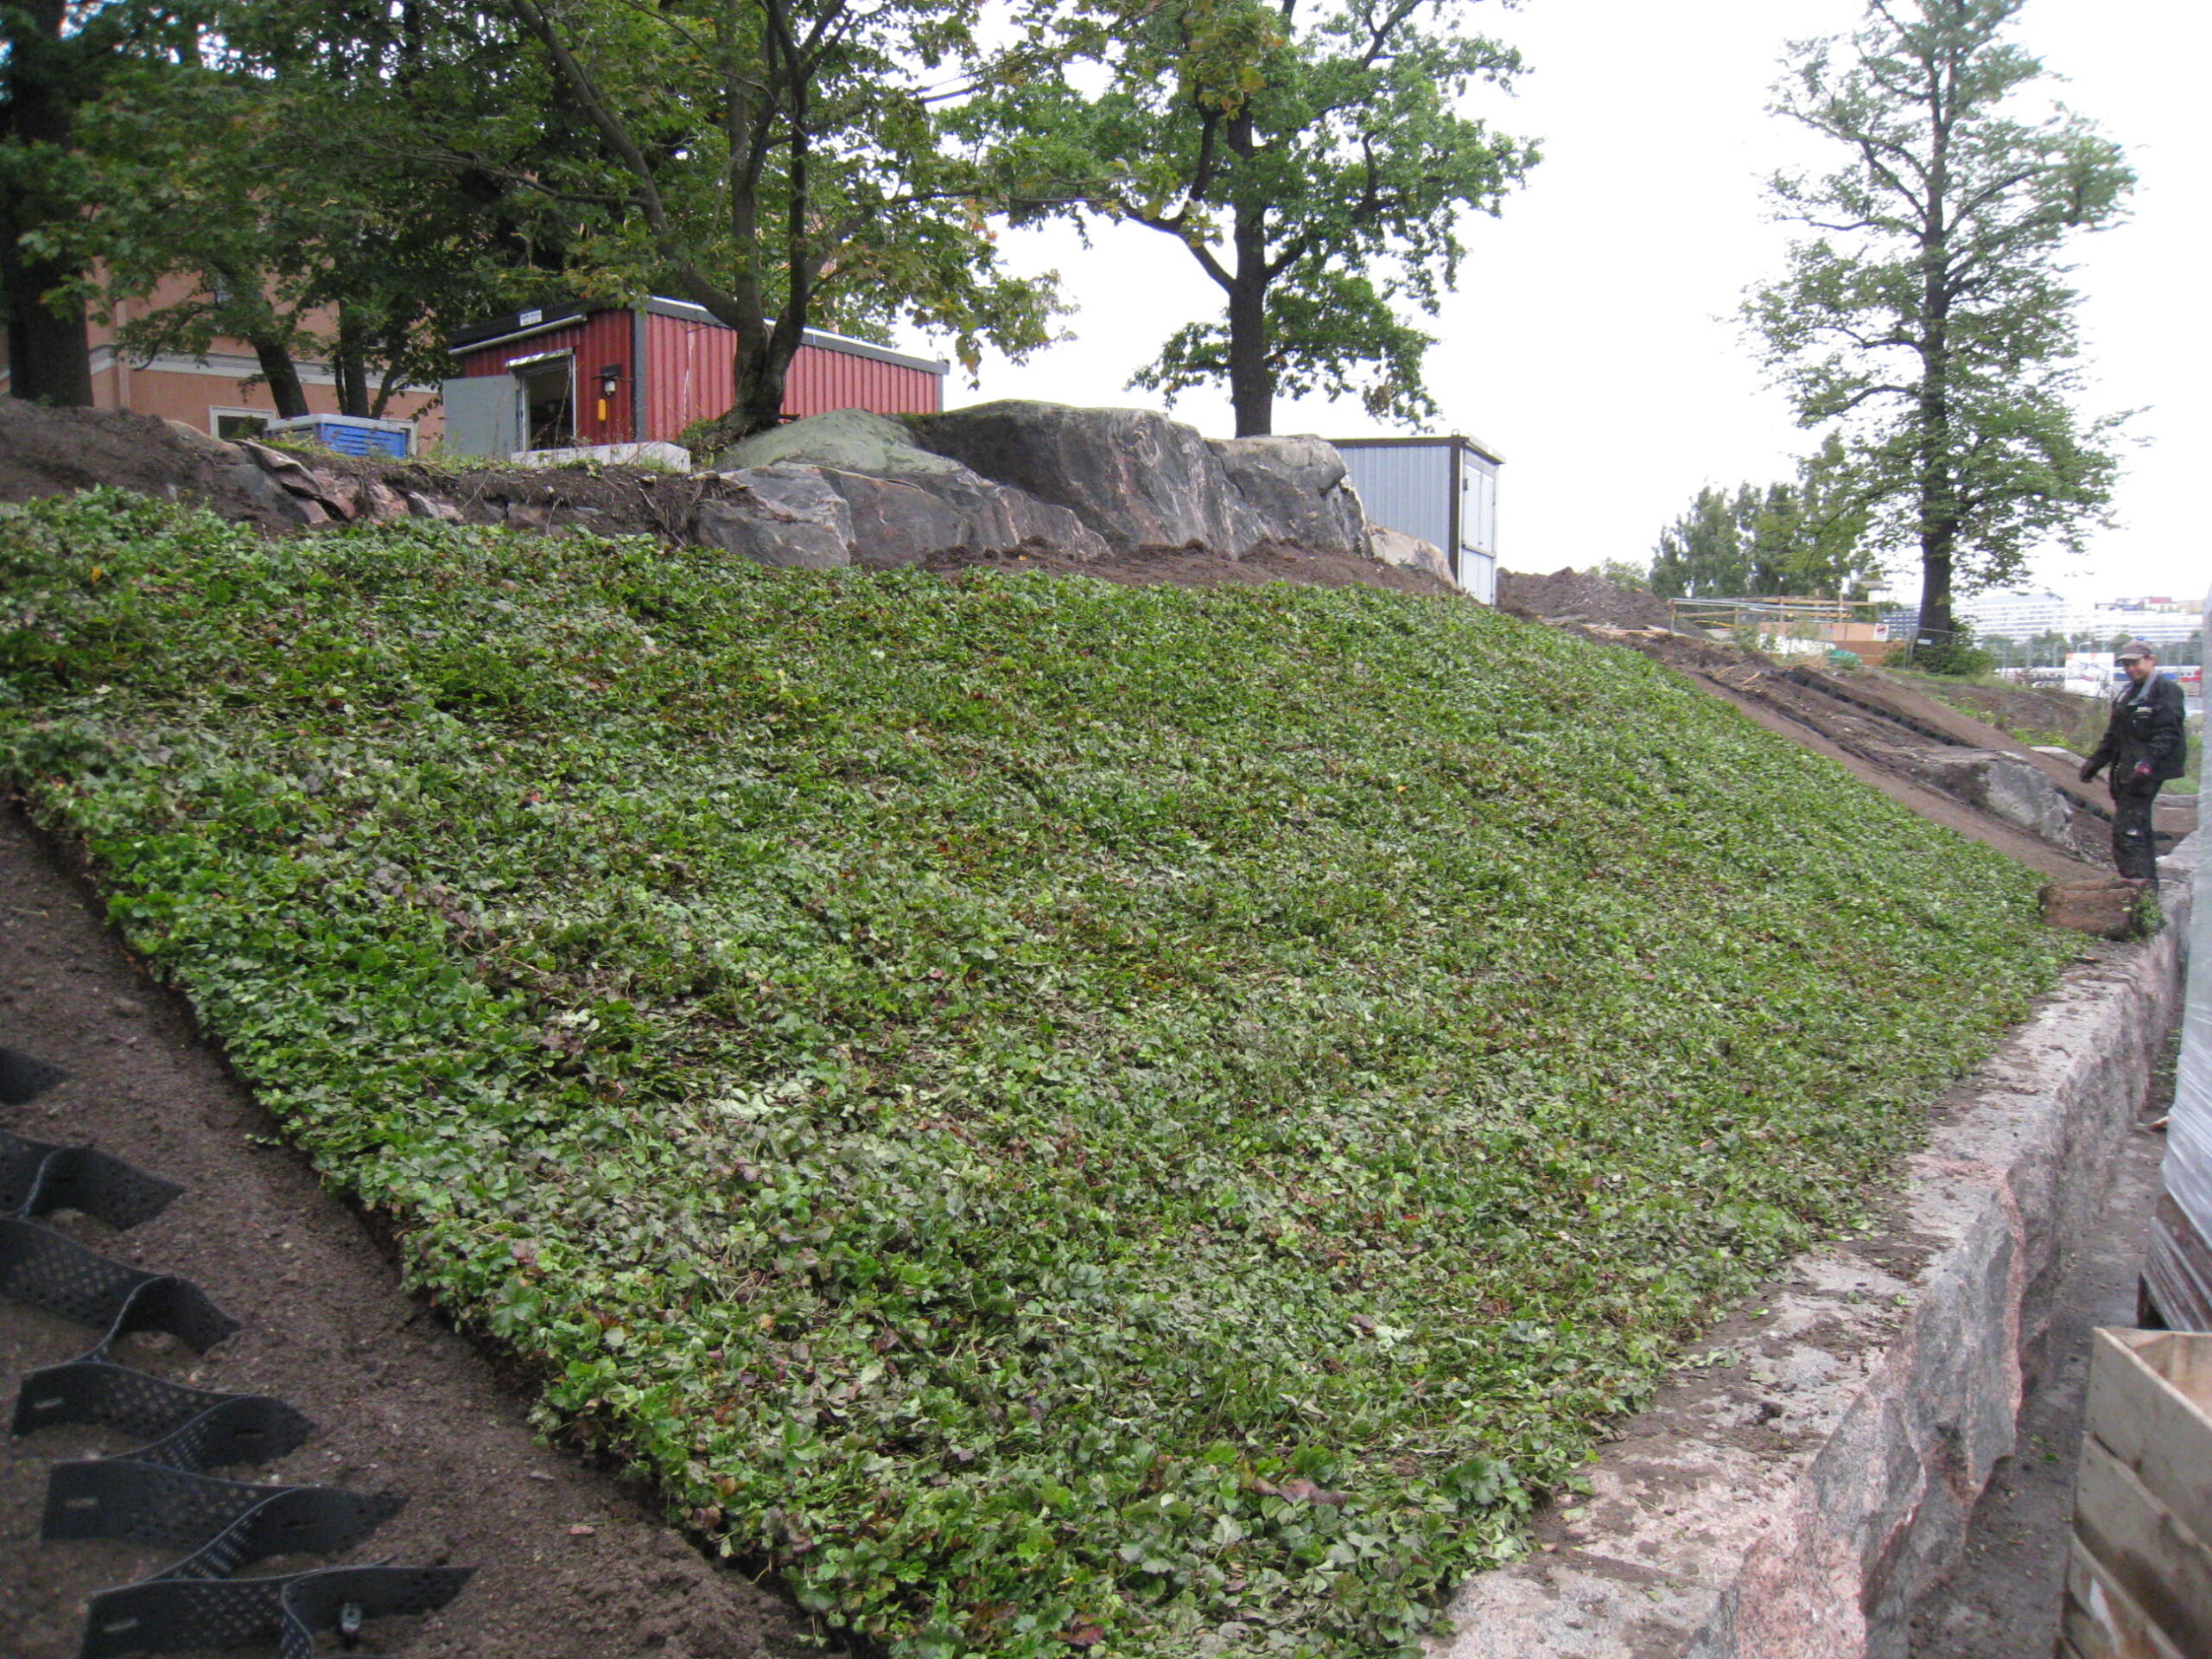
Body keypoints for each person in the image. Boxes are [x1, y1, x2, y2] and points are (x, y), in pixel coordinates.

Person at [2080, 639, 2189, 886]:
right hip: (2125, 769)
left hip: (2147, 772)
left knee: (2128, 831)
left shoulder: (2166, 690)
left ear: (2151, 660)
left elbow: (2168, 732)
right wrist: (2094, 764)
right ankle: (2145, 886)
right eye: (2126, 665)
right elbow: (2113, 736)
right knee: (2136, 827)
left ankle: (2137, 886)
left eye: (2135, 663)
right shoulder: (2127, 694)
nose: (2131, 669)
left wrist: (2148, 764)